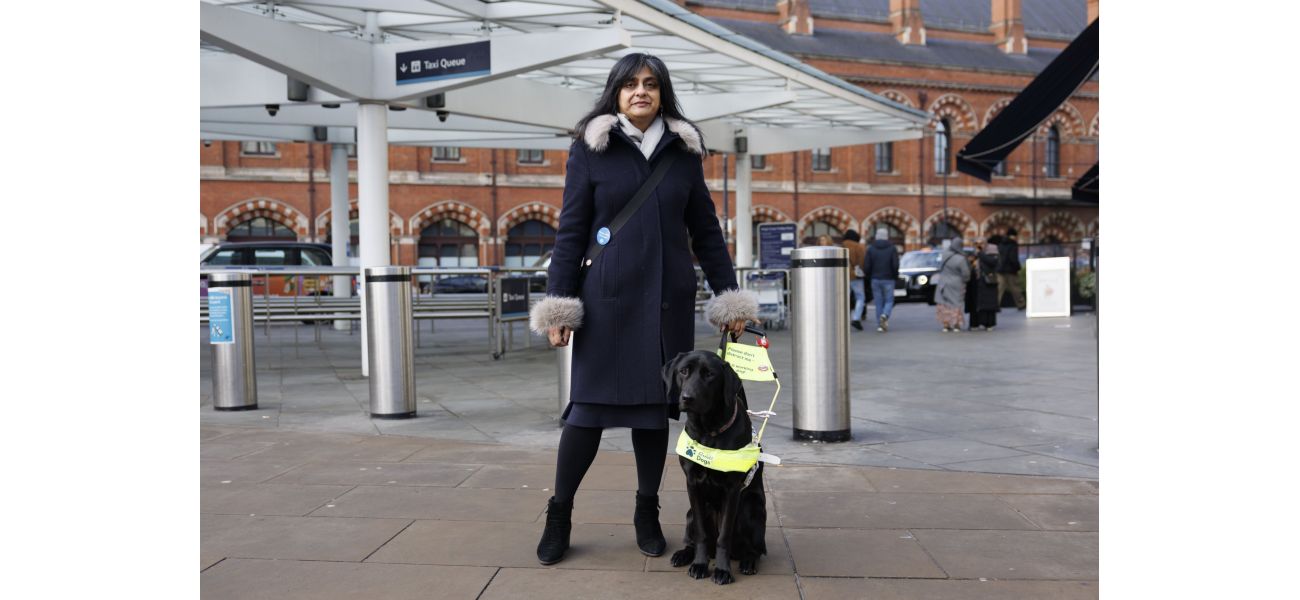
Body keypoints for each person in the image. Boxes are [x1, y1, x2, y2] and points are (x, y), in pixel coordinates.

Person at [528, 53, 757, 566]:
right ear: (615, 92)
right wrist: (559, 308)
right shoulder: (592, 149)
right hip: (605, 301)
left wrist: (729, 298)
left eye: (651, 84)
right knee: (585, 413)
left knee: (654, 415)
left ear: (663, 93)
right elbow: (570, 232)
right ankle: (559, 514)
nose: (640, 92)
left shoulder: (683, 153)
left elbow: (706, 232)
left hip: (665, 302)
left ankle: (646, 511)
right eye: (630, 84)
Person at [863, 228, 900, 332]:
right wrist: (895, 275)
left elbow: (867, 265)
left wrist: (869, 276)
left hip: (875, 278)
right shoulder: (892, 248)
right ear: (886, 236)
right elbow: (895, 264)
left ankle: (880, 324)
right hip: (888, 278)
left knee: (878, 302)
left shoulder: (870, 248)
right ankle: (885, 315)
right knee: (889, 300)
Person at [934, 235, 970, 332]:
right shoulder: (961, 258)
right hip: (957, 284)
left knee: (944, 304)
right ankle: (956, 324)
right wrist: (966, 280)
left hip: (943, 283)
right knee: (956, 304)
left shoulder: (944, 255)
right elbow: (966, 273)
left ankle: (946, 325)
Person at [967, 242, 1001, 330]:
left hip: (988, 281)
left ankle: (988, 323)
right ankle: (977, 323)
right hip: (978, 282)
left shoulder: (989, 253)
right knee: (977, 303)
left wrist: (980, 253)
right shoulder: (979, 254)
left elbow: (992, 262)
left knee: (988, 303)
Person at [840, 230, 868, 330]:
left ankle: (842, 319)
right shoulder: (859, 247)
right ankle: (856, 318)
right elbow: (862, 261)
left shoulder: (841, 246)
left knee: (844, 298)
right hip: (855, 276)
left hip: (842, 275)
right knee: (860, 297)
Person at [997, 228, 1025, 310]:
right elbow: (1013, 258)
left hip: (1000, 269)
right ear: (1013, 236)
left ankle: (995, 305)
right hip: (1010, 270)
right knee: (1015, 288)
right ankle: (1021, 304)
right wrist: (1017, 267)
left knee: (999, 288)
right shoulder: (1013, 244)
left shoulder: (1001, 244)